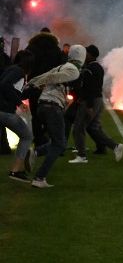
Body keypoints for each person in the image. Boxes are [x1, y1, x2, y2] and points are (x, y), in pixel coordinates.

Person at [28, 44, 84, 188]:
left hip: (43, 105)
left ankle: (36, 151)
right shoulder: (73, 71)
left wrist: (32, 82)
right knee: (60, 144)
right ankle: (39, 178)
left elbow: (48, 74)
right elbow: (53, 77)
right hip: (52, 107)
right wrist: (37, 83)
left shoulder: (63, 65)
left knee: (57, 142)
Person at [68, 44, 123, 163]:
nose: (84, 55)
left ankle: (81, 155)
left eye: (86, 53)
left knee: (78, 128)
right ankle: (114, 146)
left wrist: (88, 105)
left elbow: (90, 87)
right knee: (93, 128)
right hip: (98, 99)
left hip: (91, 100)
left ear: (90, 55)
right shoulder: (97, 67)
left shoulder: (90, 68)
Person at [4, 50, 35, 182]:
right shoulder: (19, 72)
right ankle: (15, 171)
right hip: (4, 111)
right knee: (27, 136)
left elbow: (11, 88)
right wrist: (19, 103)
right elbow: (4, 85)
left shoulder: (11, 69)